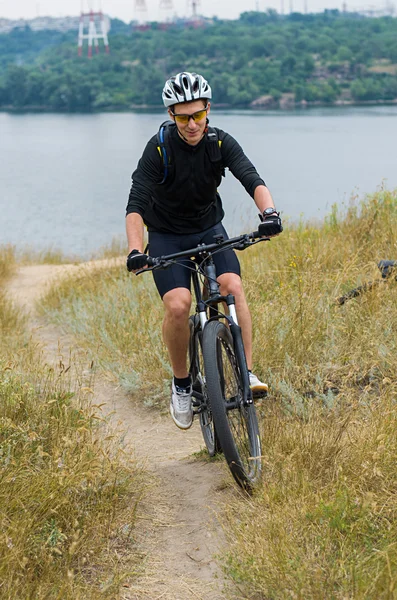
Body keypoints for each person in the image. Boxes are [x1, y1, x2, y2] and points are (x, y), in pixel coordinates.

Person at [126, 72, 282, 430]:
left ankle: (245, 371)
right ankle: (182, 385)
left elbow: (251, 178)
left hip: (210, 230)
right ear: (171, 115)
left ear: (208, 109)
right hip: (167, 237)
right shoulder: (159, 148)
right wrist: (136, 250)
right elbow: (135, 205)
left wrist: (269, 212)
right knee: (179, 305)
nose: (192, 124)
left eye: (197, 115)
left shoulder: (220, 142)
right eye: (183, 117)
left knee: (233, 287)